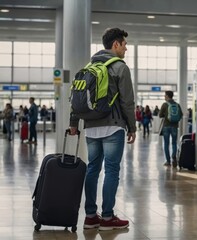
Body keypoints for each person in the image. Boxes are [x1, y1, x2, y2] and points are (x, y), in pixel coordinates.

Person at [69, 28, 136, 231]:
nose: (126, 48)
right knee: (112, 170)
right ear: (115, 44)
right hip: (113, 127)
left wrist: (74, 124)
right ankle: (107, 218)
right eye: (124, 44)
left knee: (93, 169)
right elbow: (127, 102)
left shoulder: (89, 66)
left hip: (90, 127)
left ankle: (90, 217)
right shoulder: (119, 67)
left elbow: (75, 99)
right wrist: (132, 127)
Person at [159, 91, 183, 167]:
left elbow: (160, 115)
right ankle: (174, 156)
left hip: (166, 126)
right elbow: (181, 115)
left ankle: (168, 161)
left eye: (165, 95)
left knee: (166, 143)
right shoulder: (177, 105)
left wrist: (165, 115)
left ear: (168, 96)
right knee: (174, 143)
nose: (164, 96)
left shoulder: (165, 104)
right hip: (175, 126)